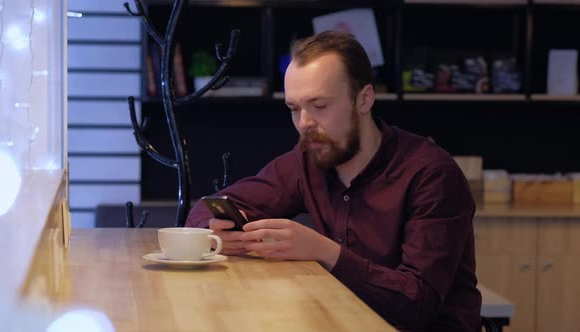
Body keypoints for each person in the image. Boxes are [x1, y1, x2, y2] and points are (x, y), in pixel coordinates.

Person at [186, 31, 481, 331]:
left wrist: (323, 251)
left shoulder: (432, 174)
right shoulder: (308, 158)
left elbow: (416, 304)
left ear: (364, 99)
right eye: (294, 109)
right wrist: (218, 231)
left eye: (319, 106)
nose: (304, 124)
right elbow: (208, 208)